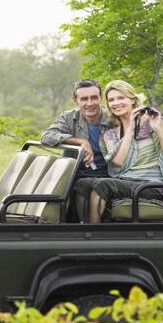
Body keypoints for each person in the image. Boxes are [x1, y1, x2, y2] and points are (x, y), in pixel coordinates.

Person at [88, 80, 163, 223]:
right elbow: (118, 163)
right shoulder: (110, 134)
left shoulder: (154, 121)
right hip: (125, 182)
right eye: (111, 100)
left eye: (121, 97)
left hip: (152, 185)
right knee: (83, 183)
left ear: (133, 100)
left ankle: (92, 234)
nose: (116, 103)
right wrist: (130, 129)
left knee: (103, 185)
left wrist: (158, 129)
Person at [41, 79, 114, 219]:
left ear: (101, 98)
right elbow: (46, 136)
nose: (89, 103)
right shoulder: (69, 117)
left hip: (108, 175)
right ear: (75, 100)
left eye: (94, 98)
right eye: (84, 99)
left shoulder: (112, 118)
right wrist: (79, 141)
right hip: (76, 174)